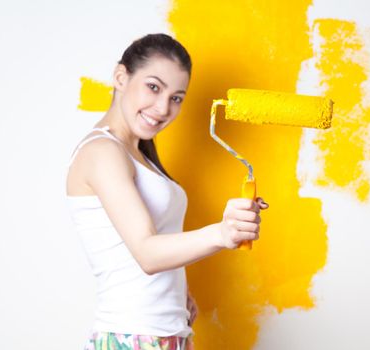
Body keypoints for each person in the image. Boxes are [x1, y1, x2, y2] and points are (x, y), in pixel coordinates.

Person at [65, 33, 269, 350]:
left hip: (164, 334)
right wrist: (223, 232)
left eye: (176, 97)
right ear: (121, 77)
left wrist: (177, 294)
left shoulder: (138, 154)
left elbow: (145, 242)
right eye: (154, 87)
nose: (163, 108)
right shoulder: (103, 151)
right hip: (132, 337)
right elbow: (146, 252)